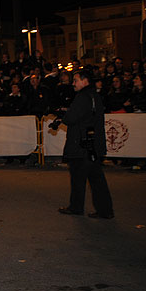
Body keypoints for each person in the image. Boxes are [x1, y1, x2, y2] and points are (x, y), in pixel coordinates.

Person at [56, 69, 114, 219]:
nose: (73, 83)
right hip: (94, 144)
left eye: (75, 80)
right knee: (97, 179)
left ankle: (76, 207)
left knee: (78, 178)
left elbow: (71, 118)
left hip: (81, 145)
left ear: (85, 81)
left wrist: (65, 115)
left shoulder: (82, 97)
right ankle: (105, 210)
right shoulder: (95, 96)